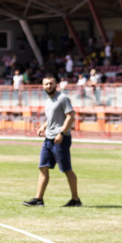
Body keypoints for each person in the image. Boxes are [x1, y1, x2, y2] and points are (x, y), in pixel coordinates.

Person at [23, 75, 81, 207]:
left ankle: (76, 200)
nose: (48, 86)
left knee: (67, 169)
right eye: (46, 84)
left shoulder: (63, 98)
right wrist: (43, 127)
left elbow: (71, 116)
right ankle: (38, 199)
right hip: (48, 139)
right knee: (43, 167)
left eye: (51, 83)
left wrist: (61, 133)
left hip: (60, 139)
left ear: (56, 84)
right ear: (43, 86)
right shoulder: (49, 101)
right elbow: (51, 119)